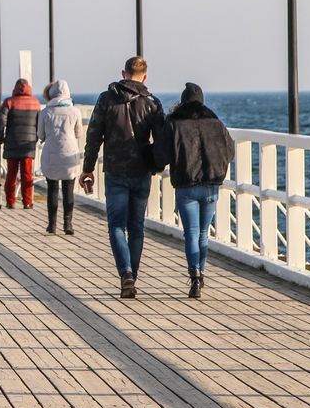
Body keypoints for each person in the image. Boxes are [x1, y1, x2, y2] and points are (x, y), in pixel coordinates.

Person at [81, 56, 165, 300]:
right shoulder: (152, 103)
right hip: (141, 172)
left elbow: (94, 136)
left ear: (123, 73)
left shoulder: (106, 99)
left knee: (116, 225)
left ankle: (125, 273)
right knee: (136, 227)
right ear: (145, 76)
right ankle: (132, 276)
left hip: (116, 171)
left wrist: (87, 169)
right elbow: (161, 141)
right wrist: (156, 166)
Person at [153, 83, 235, 299]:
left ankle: (194, 277)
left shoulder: (174, 123)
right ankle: (202, 273)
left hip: (186, 185)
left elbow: (160, 155)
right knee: (203, 234)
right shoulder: (216, 123)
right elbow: (230, 150)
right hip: (210, 184)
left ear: (182, 102)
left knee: (191, 233)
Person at [38, 80, 84, 235]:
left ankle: (52, 225)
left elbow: (40, 135)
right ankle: (68, 224)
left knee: (52, 189)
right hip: (69, 154)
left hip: (51, 154)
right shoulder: (75, 111)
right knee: (68, 190)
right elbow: (79, 134)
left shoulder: (45, 112)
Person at [0, 79, 42, 210]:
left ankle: (10, 201)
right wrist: (36, 138)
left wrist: (0, 137)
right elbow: (39, 124)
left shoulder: (9, 102)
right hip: (28, 145)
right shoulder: (35, 103)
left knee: (11, 174)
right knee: (27, 174)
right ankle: (27, 202)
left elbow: (0, 121)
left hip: (12, 142)